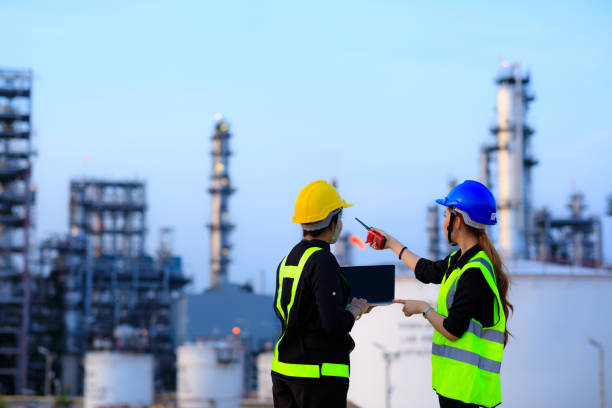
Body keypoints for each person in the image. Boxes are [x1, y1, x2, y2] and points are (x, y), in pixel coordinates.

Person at [370, 180, 512, 408]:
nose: (443, 221)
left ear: (458, 221)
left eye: (446, 215)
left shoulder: (474, 271)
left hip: (468, 391)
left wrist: (423, 309)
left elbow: (453, 330)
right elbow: (427, 272)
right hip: (456, 386)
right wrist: (392, 244)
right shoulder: (461, 260)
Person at [271, 180, 371, 408]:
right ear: (332, 221)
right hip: (316, 378)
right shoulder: (322, 260)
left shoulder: (289, 259)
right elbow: (333, 325)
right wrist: (354, 310)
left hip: (284, 370)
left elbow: (299, 311)